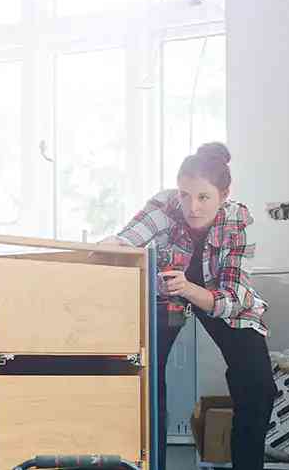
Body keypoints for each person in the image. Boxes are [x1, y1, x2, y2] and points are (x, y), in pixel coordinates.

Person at [101, 142, 275, 470]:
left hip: (221, 298)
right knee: (148, 381)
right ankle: (154, 464)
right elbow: (127, 240)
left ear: (224, 195)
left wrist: (191, 288)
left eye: (203, 197)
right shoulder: (166, 205)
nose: (191, 207)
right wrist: (106, 246)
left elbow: (233, 298)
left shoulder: (238, 219)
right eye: (184, 195)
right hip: (167, 294)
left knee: (259, 387)